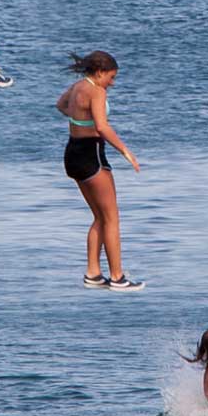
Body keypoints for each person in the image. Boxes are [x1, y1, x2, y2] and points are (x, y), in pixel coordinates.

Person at [56, 51, 143, 291]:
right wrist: (126, 152)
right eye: (112, 77)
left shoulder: (78, 86)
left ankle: (93, 273)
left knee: (99, 216)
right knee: (112, 218)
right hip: (91, 154)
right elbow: (103, 128)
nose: (112, 83)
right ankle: (117, 277)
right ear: (101, 72)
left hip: (72, 152)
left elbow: (61, 105)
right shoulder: (97, 90)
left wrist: (82, 119)